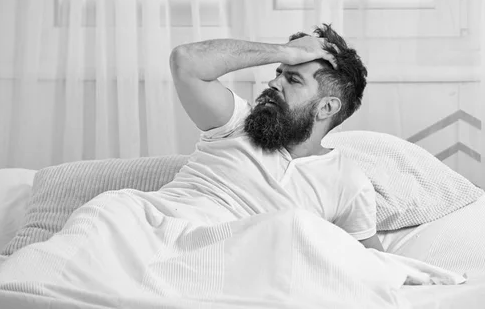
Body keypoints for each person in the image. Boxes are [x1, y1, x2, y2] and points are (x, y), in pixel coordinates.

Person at [164, 23, 383, 251]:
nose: (274, 83)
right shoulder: (236, 123)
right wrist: (286, 52)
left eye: (293, 79)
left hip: (207, 265)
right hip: (150, 226)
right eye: (278, 73)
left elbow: (379, 267)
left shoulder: (346, 181)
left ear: (327, 107)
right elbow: (185, 60)